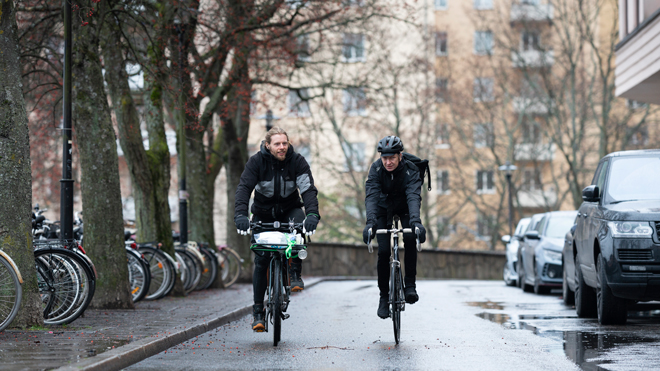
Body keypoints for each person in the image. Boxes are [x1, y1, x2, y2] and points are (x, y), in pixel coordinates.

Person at [234, 126, 320, 332]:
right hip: (263, 213)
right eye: (277, 144)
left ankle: (295, 271)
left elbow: (308, 189)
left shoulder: (297, 161)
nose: (282, 147)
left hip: (290, 210)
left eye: (284, 143)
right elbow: (244, 188)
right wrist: (240, 216)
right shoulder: (256, 162)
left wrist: (312, 214)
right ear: (267, 145)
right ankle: (258, 313)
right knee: (261, 260)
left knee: (299, 229)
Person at [363, 135, 427, 319]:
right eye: (385, 158)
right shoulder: (376, 169)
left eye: (392, 157)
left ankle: (410, 286)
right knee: (383, 251)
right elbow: (372, 197)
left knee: (409, 238)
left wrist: (416, 223)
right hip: (383, 209)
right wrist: (370, 223)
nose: (388, 162)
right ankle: (384, 297)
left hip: (406, 207)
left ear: (400, 156)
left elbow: (414, 196)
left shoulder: (411, 170)